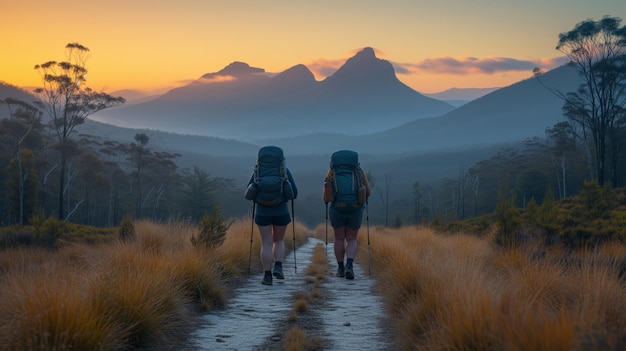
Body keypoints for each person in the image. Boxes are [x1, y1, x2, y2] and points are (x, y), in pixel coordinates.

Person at [246, 146, 298, 285]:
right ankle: (279, 266)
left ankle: (267, 276)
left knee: (267, 243)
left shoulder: (257, 172)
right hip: (281, 211)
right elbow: (295, 193)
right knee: (279, 241)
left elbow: (249, 192)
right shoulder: (284, 171)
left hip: (262, 213)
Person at [323, 150, 370, 280]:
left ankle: (340, 268)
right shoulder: (359, 170)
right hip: (355, 210)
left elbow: (326, 196)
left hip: (337, 209)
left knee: (338, 239)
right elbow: (368, 191)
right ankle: (349, 265)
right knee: (351, 239)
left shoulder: (331, 171)